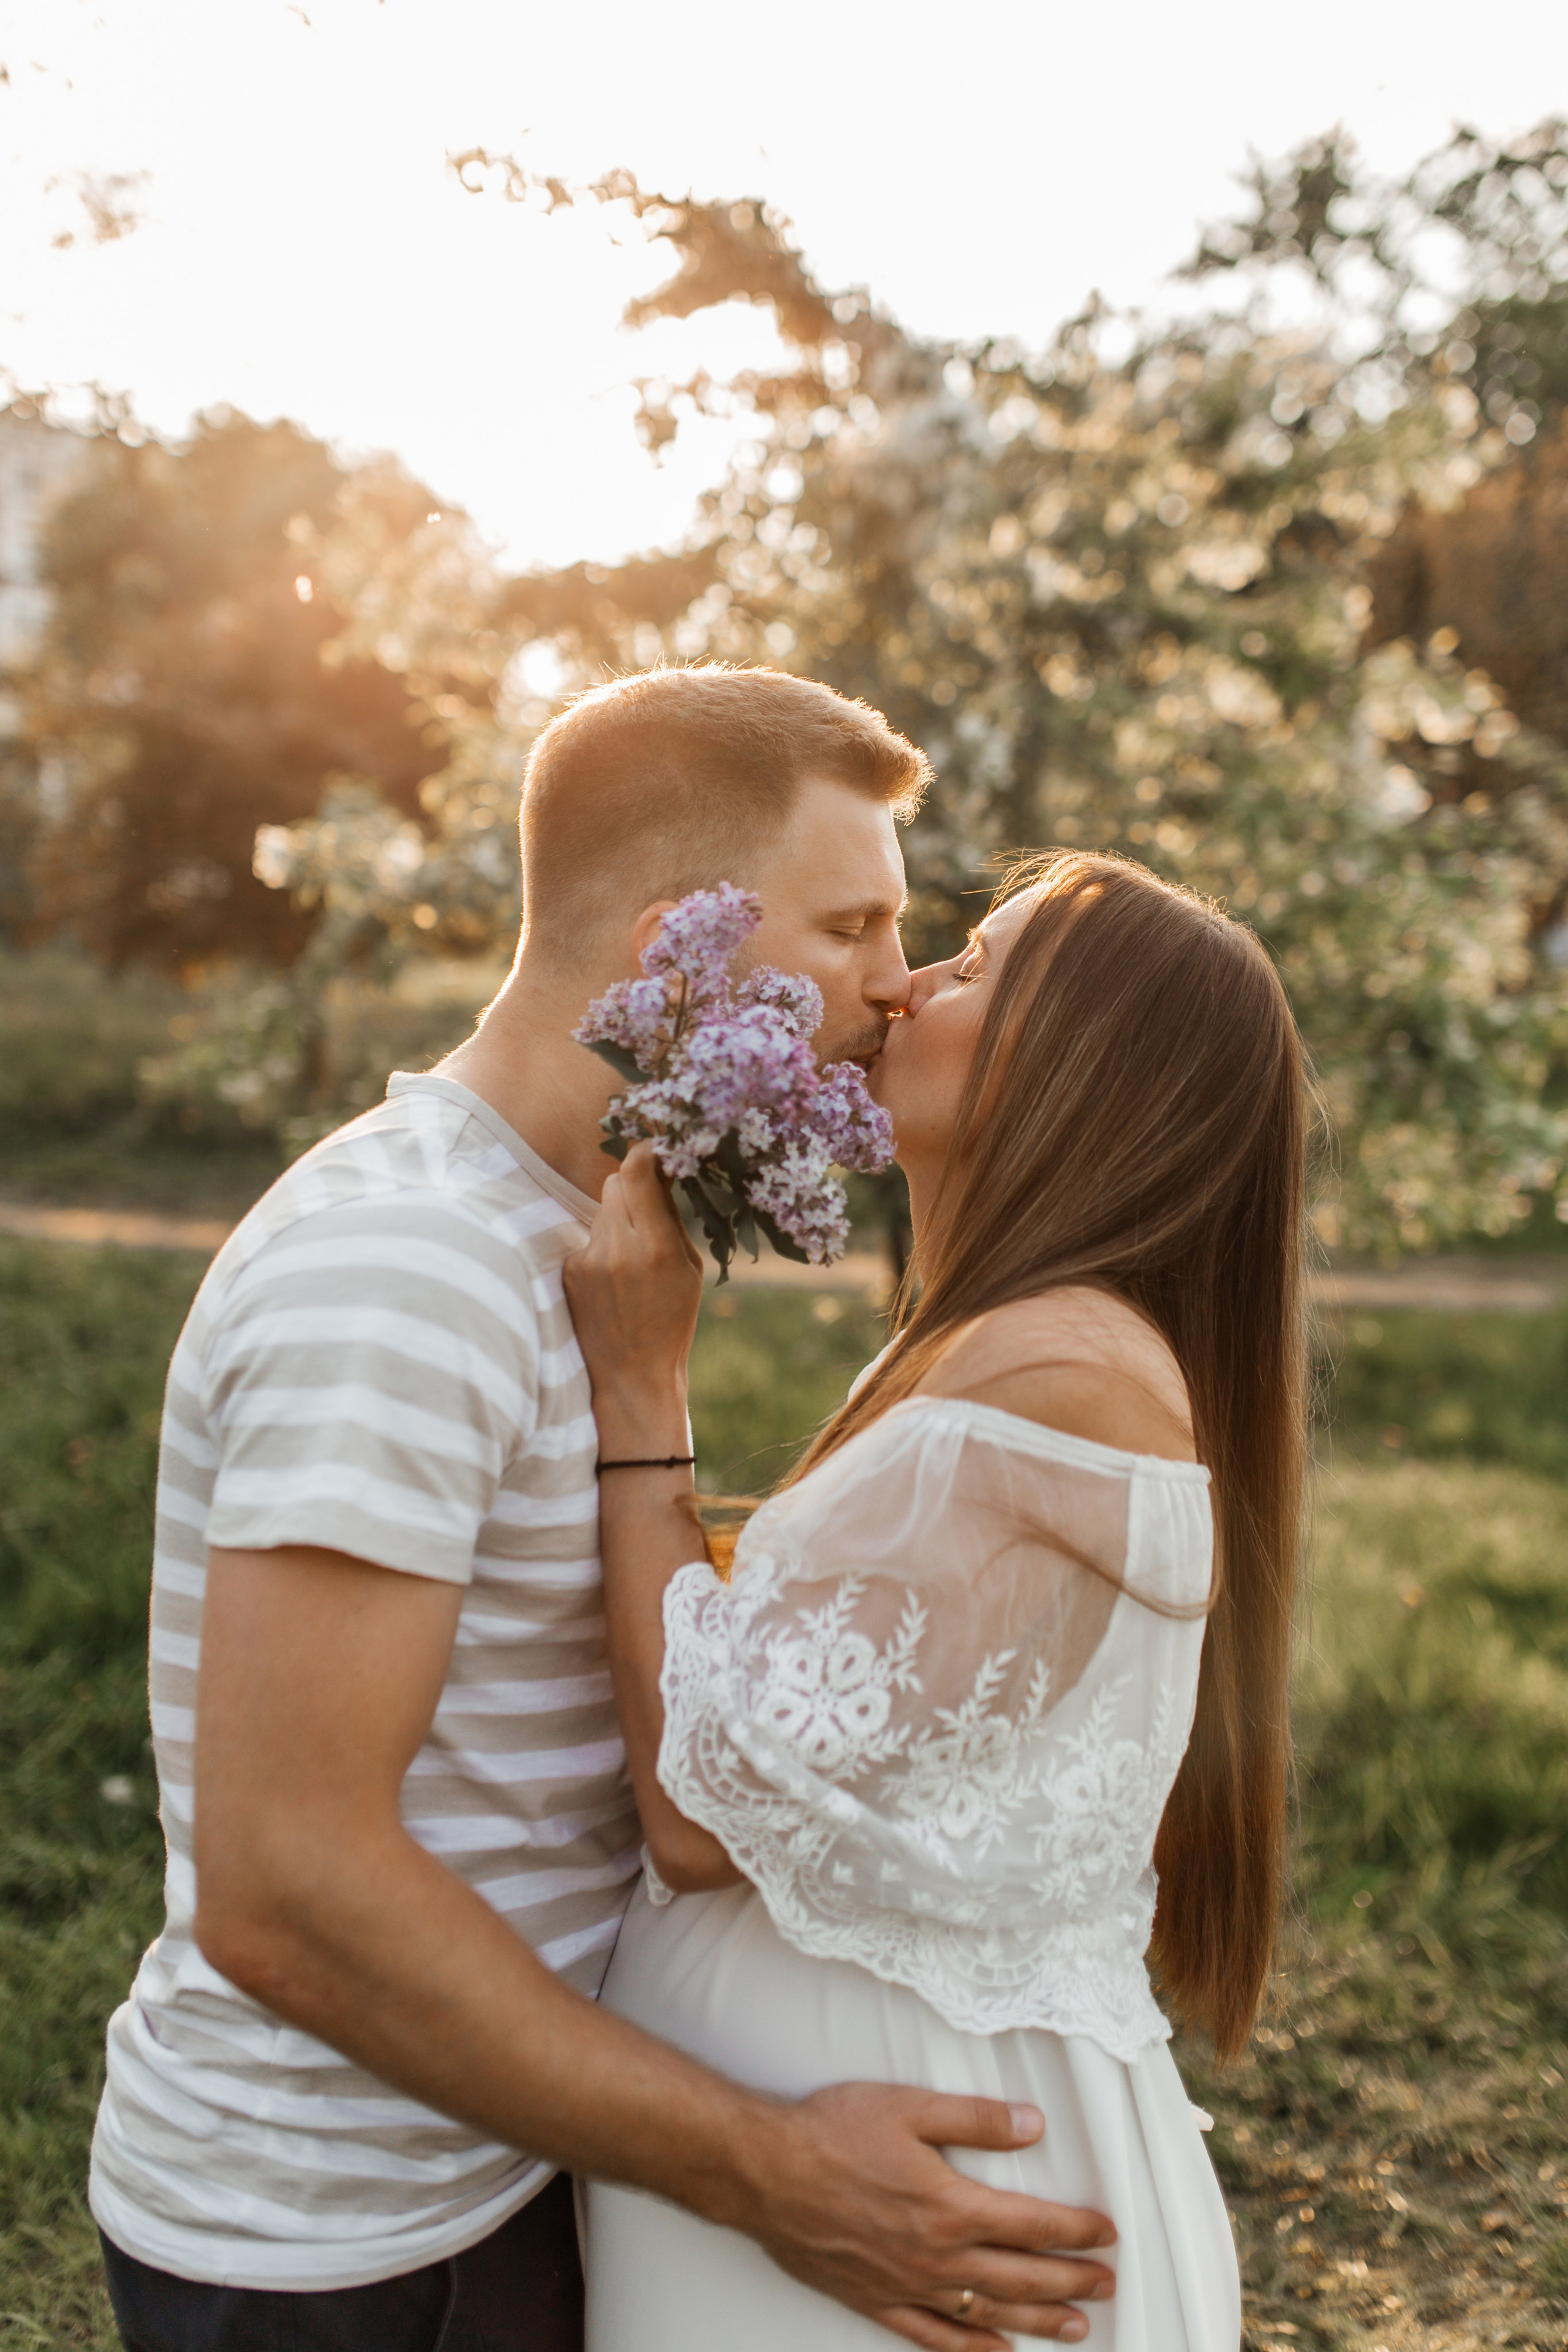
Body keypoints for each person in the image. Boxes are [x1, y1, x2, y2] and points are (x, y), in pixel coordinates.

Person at [89, 667, 1118, 2352]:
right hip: (350, 2251)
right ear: (675, 951)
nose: (898, 980)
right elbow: (285, 1891)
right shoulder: (408, 1266)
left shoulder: (590, 1244)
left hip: (511, 2173)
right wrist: (772, 2171)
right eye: (850, 925)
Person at [564, 848, 1310, 2351]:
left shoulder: (1051, 1372)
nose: (906, 983)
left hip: (914, 2221)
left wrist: (641, 1393)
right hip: (894, 2202)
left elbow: (701, 1818)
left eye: (971, 967)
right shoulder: (1012, 1349)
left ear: (1081, 1070)